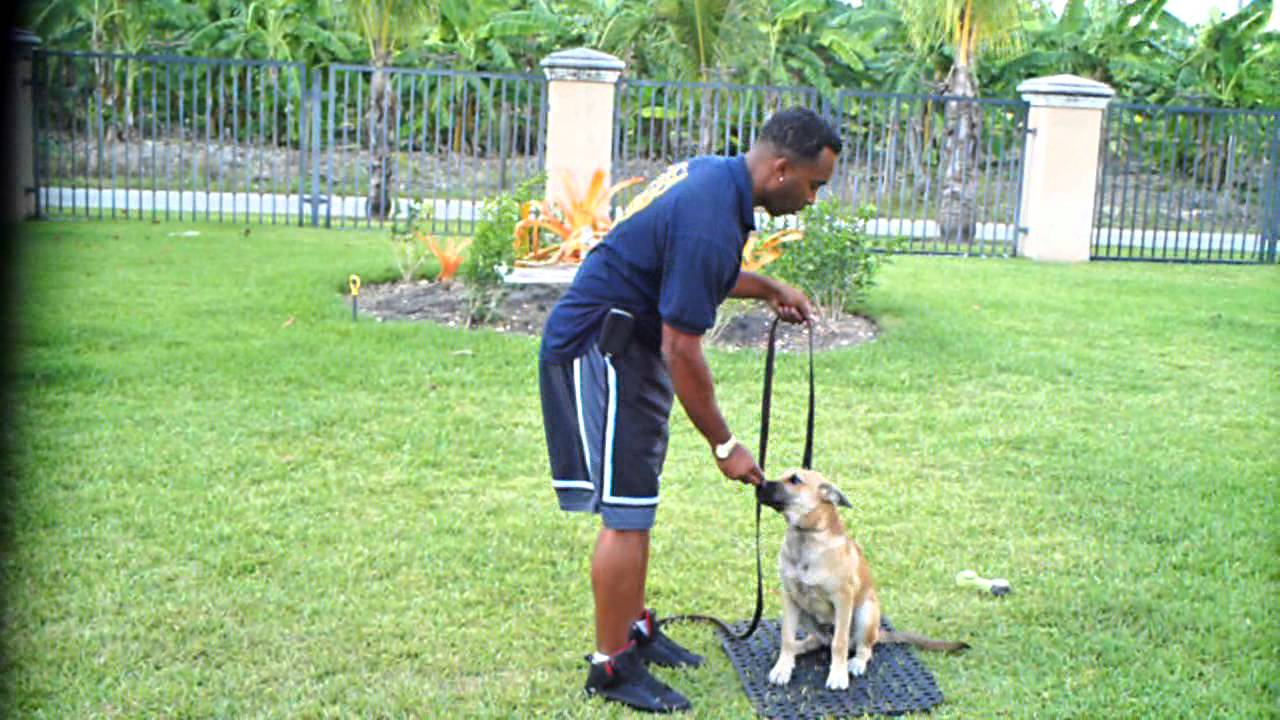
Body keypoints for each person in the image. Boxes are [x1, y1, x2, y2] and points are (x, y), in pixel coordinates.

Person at [538, 107, 842, 713]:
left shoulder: (718, 184)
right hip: (604, 348)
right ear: (781, 170)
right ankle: (610, 665)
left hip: (630, 344)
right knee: (625, 513)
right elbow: (683, 347)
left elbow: (700, 271)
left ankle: (633, 633)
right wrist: (726, 446)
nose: (812, 199)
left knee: (637, 505)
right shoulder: (712, 211)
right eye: (814, 185)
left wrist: (772, 289)